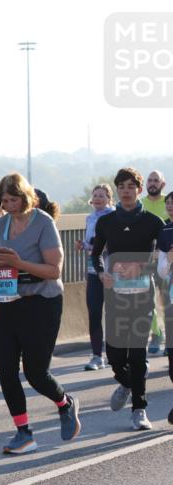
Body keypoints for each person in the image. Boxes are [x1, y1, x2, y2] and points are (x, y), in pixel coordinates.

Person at [0, 174, 79, 454]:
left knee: (35, 373)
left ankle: (64, 403)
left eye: (13, 199)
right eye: (4, 200)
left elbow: (54, 270)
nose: (8, 205)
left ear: (25, 197)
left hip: (41, 303)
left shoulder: (43, 222)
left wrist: (19, 262)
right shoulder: (0, 225)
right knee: (5, 370)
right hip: (6, 302)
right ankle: (23, 432)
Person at [91, 167, 167, 431]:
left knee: (137, 354)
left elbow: (162, 257)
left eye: (130, 186)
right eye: (121, 186)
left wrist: (144, 268)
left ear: (139, 190)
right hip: (115, 296)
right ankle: (126, 382)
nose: (125, 190)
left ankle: (139, 410)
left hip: (143, 296)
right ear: (118, 191)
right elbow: (96, 254)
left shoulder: (152, 223)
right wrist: (102, 274)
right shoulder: (106, 222)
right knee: (114, 355)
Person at [76, 184, 115, 370]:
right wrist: (83, 245)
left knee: (114, 314)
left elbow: (116, 242)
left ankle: (117, 353)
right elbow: (90, 242)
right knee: (94, 313)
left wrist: (103, 246)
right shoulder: (89, 218)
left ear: (109, 199)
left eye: (102, 195)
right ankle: (96, 356)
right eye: (95, 195)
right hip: (93, 271)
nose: (98, 198)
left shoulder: (114, 216)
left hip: (112, 271)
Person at [153, 192, 173, 422]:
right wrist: (168, 258)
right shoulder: (165, 232)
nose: (170, 207)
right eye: (168, 204)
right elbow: (161, 272)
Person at [143, 171, 167, 353]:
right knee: (148, 300)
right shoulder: (140, 204)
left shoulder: (169, 203)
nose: (152, 183)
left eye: (156, 180)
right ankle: (156, 333)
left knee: (168, 301)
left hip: (167, 260)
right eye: (150, 180)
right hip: (145, 260)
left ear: (163, 184)